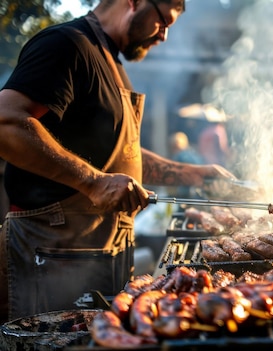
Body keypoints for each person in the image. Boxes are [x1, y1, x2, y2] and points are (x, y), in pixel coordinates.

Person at [0, 0, 237, 323]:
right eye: (163, 22)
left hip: (98, 252)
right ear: (135, 2)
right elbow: (6, 122)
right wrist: (93, 183)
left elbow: (123, 156)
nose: (164, 36)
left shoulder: (111, 62)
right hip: (52, 252)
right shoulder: (67, 44)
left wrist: (195, 173)